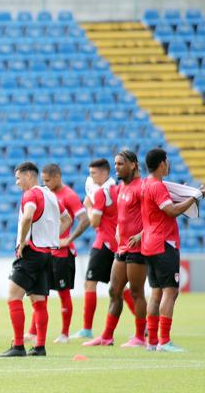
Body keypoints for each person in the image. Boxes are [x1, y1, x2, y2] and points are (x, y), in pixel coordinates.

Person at [0, 162, 71, 358]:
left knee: (13, 298)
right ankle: (39, 346)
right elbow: (67, 219)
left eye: (18, 178)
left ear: (29, 176)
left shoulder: (31, 194)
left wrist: (22, 241)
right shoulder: (51, 195)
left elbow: (27, 216)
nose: (16, 183)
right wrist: (51, 237)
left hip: (30, 253)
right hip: (46, 254)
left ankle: (19, 346)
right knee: (38, 302)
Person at [140, 148, 204, 352]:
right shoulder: (157, 186)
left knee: (156, 293)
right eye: (166, 162)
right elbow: (172, 210)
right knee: (170, 291)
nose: (168, 165)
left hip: (149, 243)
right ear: (161, 164)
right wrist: (195, 197)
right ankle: (164, 341)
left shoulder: (145, 184)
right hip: (163, 243)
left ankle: (151, 342)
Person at [86, 150, 148, 347]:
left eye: (121, 164)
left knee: (137, 292)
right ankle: (107, 336)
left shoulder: (142, 187)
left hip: (137, 248)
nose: (117, 167)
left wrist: (141, 234)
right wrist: (119, 229)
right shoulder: (121, 188)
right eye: (116, 163)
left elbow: (153, 216)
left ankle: (140, 336)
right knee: (114, 290)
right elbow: (121, 216)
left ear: (133, 165)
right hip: (122, 247)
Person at [29, 164, 89, 344]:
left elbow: (84, 220)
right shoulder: (47, 194)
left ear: (57, 177)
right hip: (46, 252)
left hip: (62, 254)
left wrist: (69, 239)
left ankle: (64, 333)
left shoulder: (69, 196)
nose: (44, 183)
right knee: (40, 293)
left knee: (63, 293)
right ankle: (33, 333)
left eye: (47, 180)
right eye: (43, 180)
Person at [73, 159, 119, 340]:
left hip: (104, 242)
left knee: (90, 283)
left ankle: (87, 328)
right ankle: (144, 327)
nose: (90, 177)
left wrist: (89, 205)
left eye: (93, 173)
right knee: (119, 287)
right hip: (114, 240)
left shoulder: (101, 192)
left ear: (103, 173)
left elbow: (94, 221)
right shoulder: (113, 187)